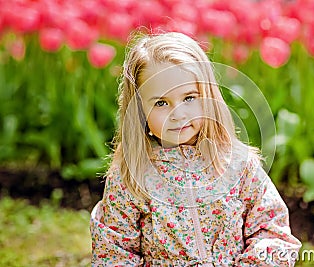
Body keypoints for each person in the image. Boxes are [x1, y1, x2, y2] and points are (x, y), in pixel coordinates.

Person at [90, 31, 301, 266]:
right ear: (139, 110)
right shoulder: (132, 176)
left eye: (189, 98)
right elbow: (114, 250)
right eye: (161, 103)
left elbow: (272, 232)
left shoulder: (238, 164)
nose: (177, 114)